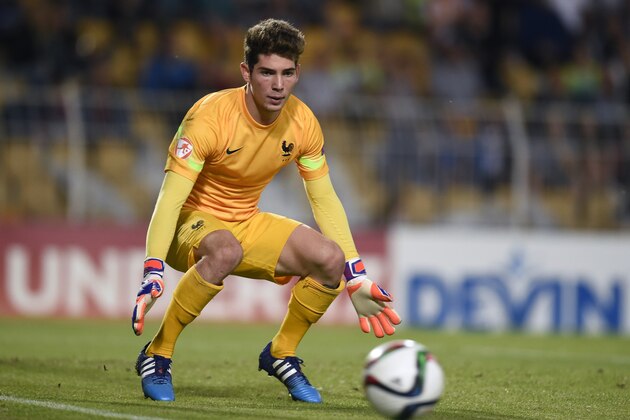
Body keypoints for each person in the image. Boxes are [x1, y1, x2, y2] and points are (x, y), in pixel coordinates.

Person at [131, 18, 401, 404]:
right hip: (188, 223)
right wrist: (153, 268)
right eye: (267, 73)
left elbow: (323, 198)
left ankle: (281, 353)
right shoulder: (208, 117)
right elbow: (170, 198)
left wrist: (355, 274)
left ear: (297, 73)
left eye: (287, 74)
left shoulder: (303, 122)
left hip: (246, 222)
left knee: (330, 259)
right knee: (225, 249)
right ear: (246, 72)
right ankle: (158, 354)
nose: (278, 85)